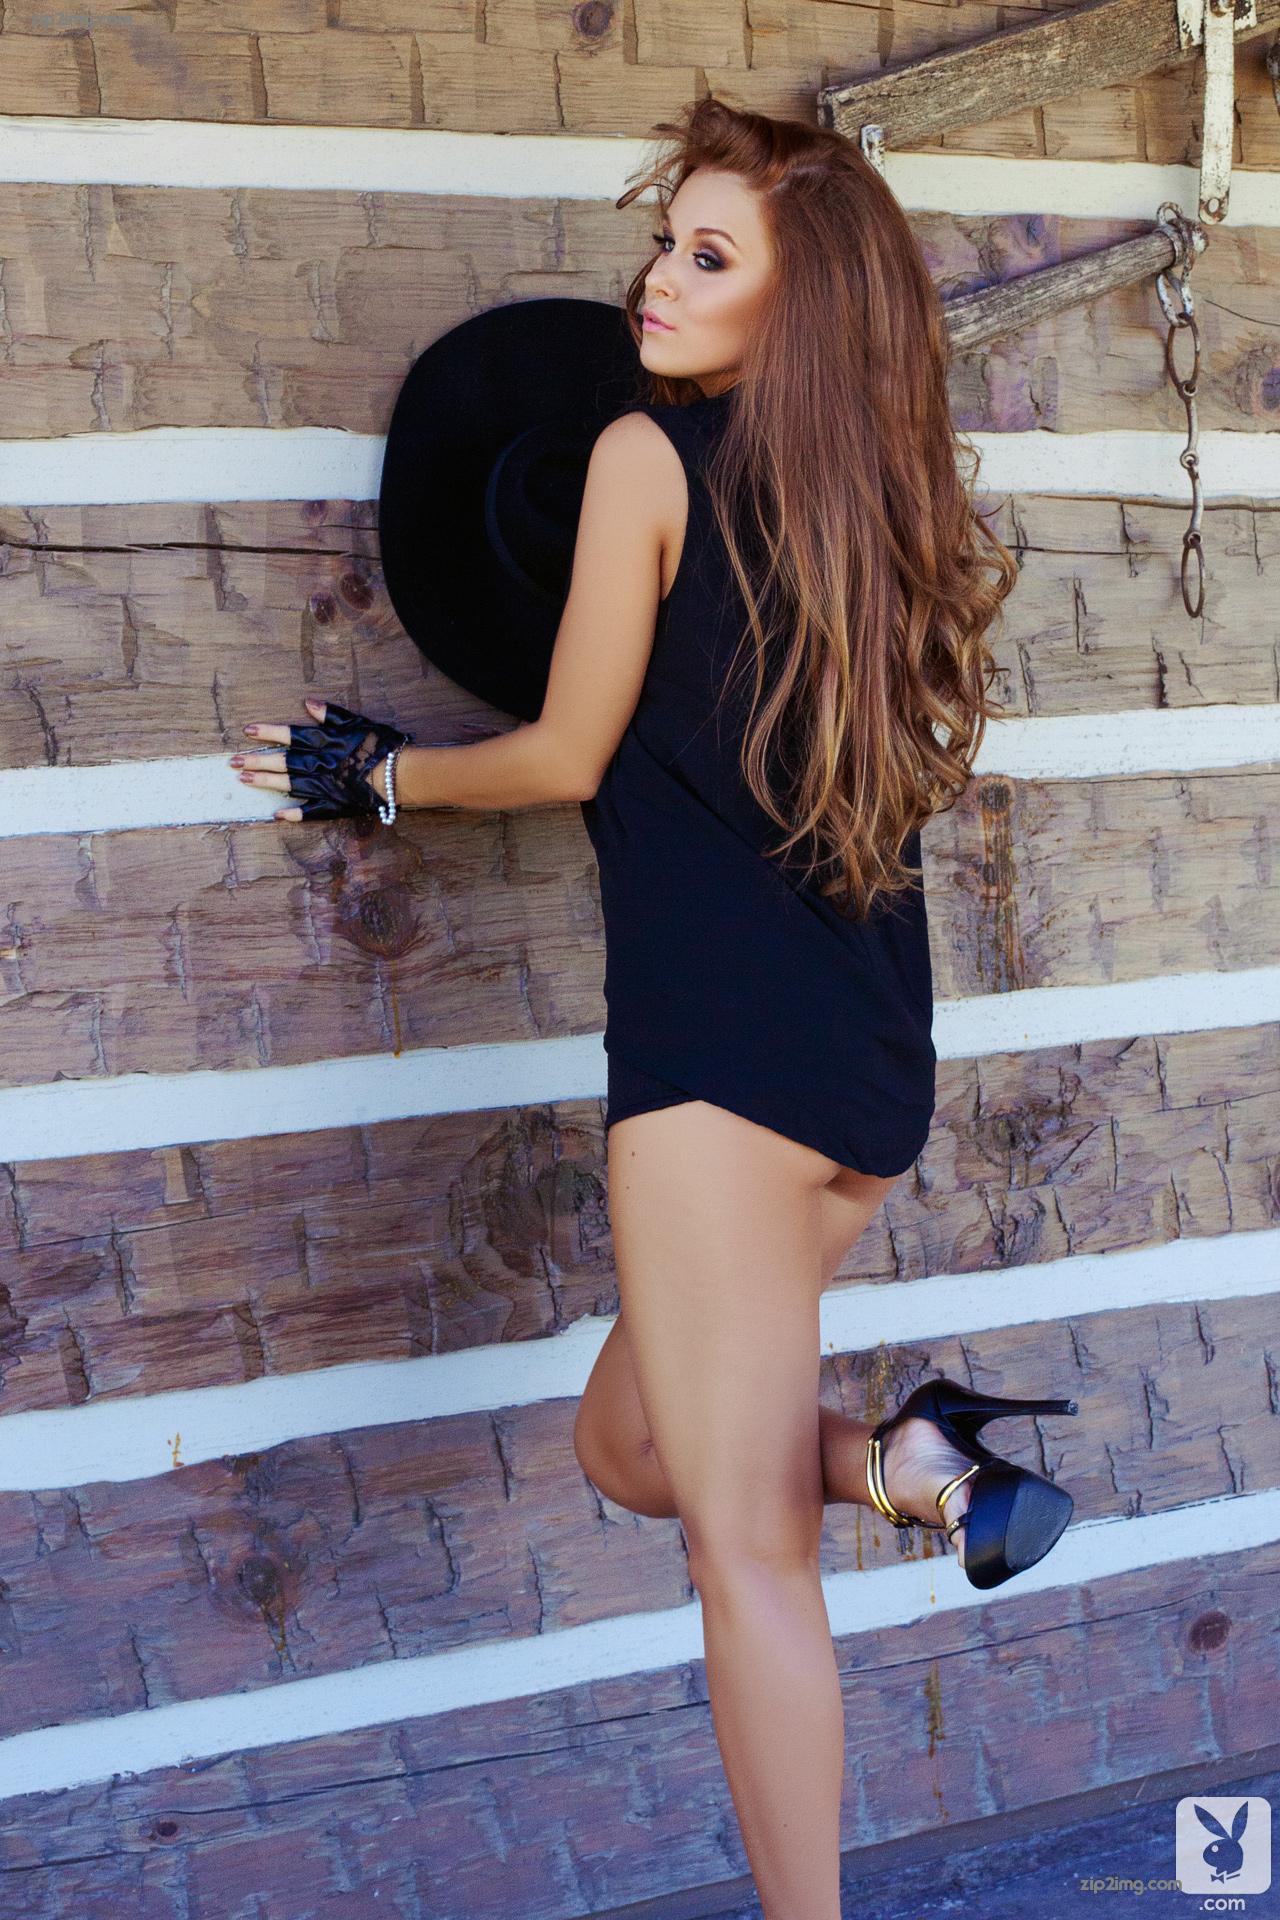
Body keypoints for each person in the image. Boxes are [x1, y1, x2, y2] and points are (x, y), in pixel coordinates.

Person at [230, 97, 1080, 1920]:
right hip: (864, 1074)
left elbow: (563, 752)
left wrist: (380, 774)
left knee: (745, 1556)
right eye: (664, 243)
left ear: (802, 302)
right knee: (632, 1448)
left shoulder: (643, 458)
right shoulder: (872, 505)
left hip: (715, 1078)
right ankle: (908, 1463)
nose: (658, 280)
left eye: (710, 255)